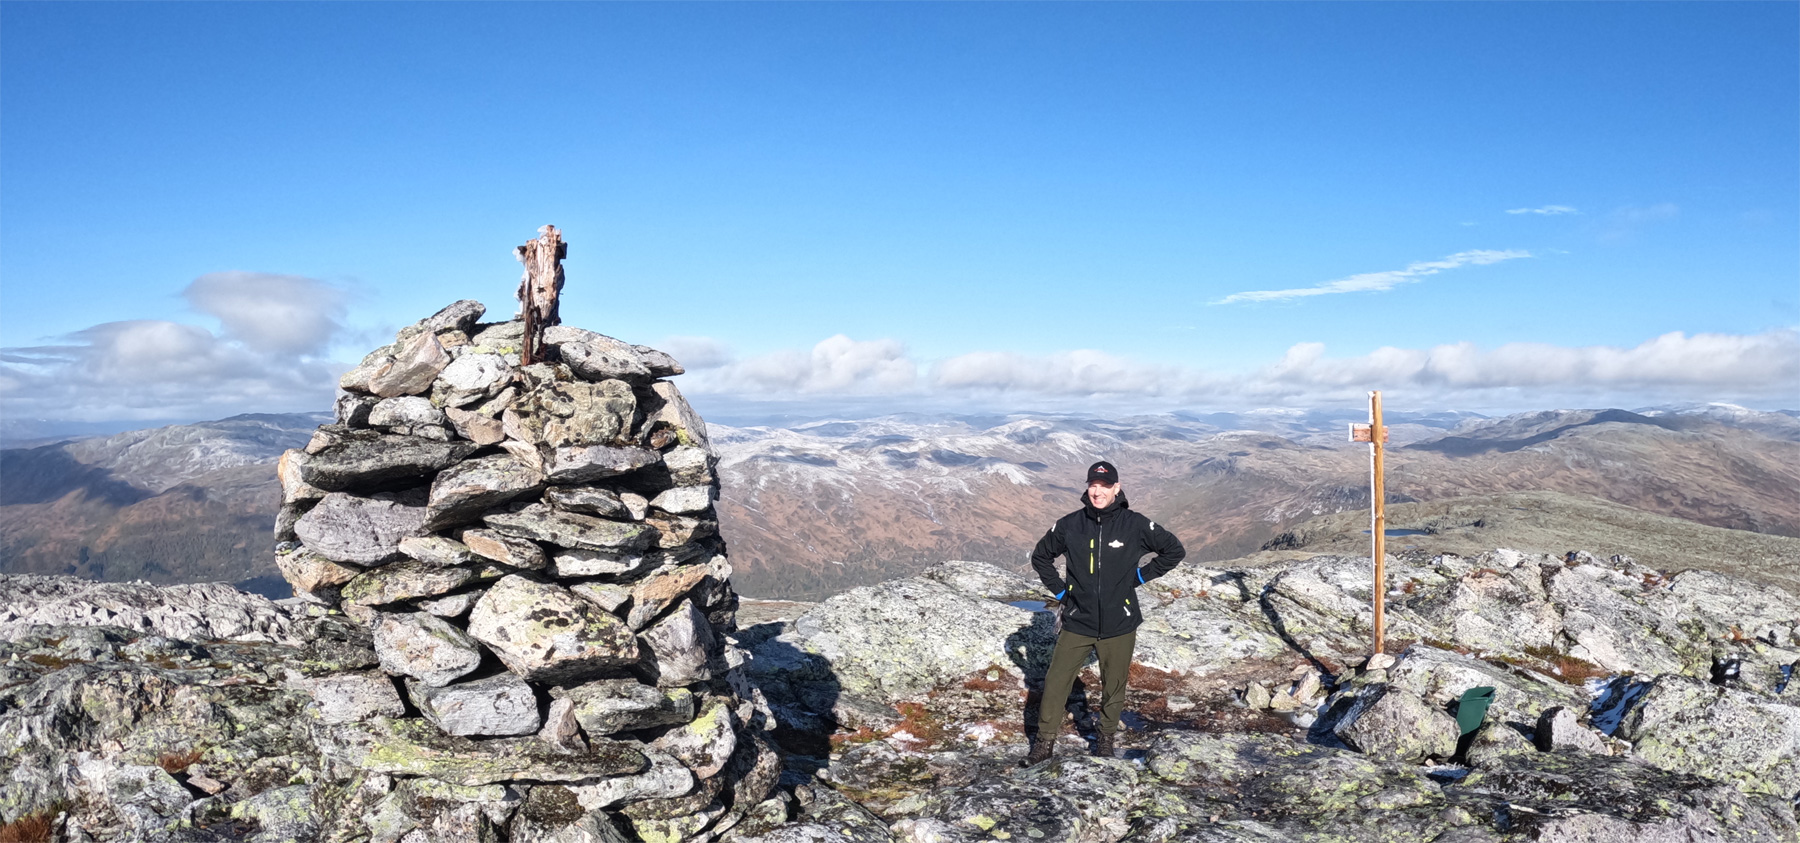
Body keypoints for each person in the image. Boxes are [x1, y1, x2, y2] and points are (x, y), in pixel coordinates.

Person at [1024, 460, 1186, 764]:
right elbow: (1041, 556)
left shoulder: (1135, 524)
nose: (1097, 492)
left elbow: (1174, 550)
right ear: (1088, 487)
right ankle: (1044, 744)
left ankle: (1105, 740)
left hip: (1120, 622)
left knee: (1114, 684)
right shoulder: (1070, 524)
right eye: (1093, 485)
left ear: (1117, 488)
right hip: (1078, 619)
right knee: (1057, 680)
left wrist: (1140, 577)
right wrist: (1060, 592)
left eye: (1104, 486)